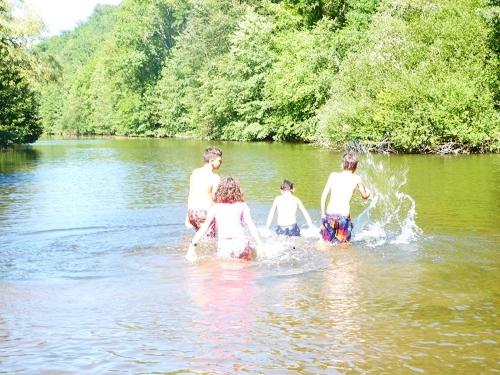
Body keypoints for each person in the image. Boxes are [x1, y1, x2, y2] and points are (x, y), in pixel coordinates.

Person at [186, 177, 263, 262]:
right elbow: (251, 225)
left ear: (220, 190)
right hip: (240, 243)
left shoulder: (215, 207)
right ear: (237, 191)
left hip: (224, 245)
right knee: (248, 263)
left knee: (225, 271)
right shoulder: (242, 205)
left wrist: (192, 246)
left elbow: (204, 228)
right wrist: (260, 244)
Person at [320, 151, 370, 243]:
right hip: (343, 217)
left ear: (342, 164)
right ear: (357, 166)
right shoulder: (356, 179)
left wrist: (323, 214)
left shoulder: (333, 176)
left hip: (330, 215)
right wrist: (368, 192)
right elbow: (365, 196)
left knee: (325, 243)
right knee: (344, 246)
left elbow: (323, 196)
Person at [185, 147, 222, 237]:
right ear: (212, 160)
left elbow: (191, 193)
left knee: (199, 237)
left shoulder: (195, 172)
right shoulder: (215, 177)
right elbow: (215, 199)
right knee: (210, 240)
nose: (221, 163)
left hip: (192, 212)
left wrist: (188, 214)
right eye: (219, 160)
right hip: (204, 213)